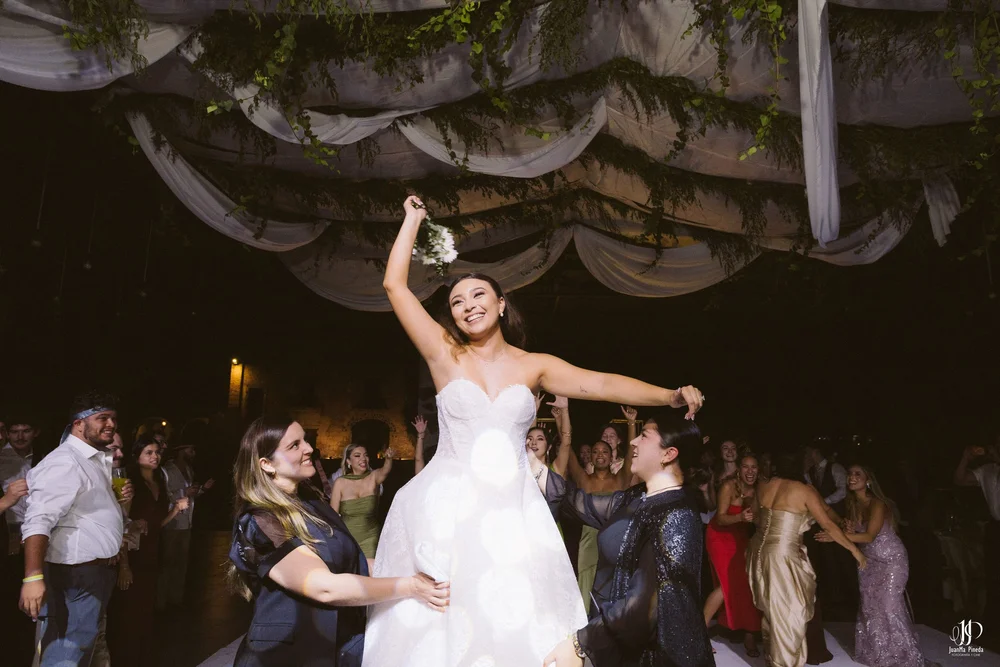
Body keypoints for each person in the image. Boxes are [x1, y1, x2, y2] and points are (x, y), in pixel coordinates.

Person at [363, 196, 705, 666]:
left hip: (515, 509)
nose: (467, 306)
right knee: (444, 623)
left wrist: (667, 395)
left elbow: (600, 383)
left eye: (478, 295)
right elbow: (393, 285)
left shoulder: (534, 366)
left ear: (501, 304)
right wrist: (411, 219)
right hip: (447, 506)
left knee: (515, 618)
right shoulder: (444, 355)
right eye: (457, 302)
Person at [228, 416, 448, 667]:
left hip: (338, 646)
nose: (309, 448)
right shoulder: (261, 520)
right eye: (294, 445)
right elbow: (325, 586)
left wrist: (422, 571)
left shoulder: (313, 503)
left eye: (305, 441)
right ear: (267, 465)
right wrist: (410, 586)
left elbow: (355, 564)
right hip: (287, 655)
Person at [534, 414, 714, 667]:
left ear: (668, 454)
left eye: (644, 436)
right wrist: (530, 462)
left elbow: (641, 610)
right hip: (622, 645)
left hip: (659, 657)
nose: (633, 443)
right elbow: (578, 503)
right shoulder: (637, 498)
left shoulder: (677, 514)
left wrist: (579, 644)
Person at [19, 392, 124, 667]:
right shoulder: (64, 462)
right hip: (74, 575)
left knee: (79, 651)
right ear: (78, 423)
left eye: (113, 418)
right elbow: (38, 519)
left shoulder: (92, 459)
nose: (111, 424)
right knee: (66, 654)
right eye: (102, 418)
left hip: (93, 574)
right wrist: (32, 577)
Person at [747, 452, 866, 667]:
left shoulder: (764, 485)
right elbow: (827, 524)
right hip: (782, 556)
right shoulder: (804, 491)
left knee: (773, 608)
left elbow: (755, 516)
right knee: (790, 612)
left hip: (759, 551)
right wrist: (854, 550)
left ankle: (773, 657)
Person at [816, 464, 927, 667]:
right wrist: (845, 529)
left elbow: (869, 536)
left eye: (857, 474)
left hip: (892, 560)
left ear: (868, 480)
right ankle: (880, 654)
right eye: (849, 474)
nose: (851, 477)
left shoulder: (877, 503)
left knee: (889, 606)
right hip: (868, 561)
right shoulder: (853, 506)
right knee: (870, 606)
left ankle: (905, 656)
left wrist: (836, 536)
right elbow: (857, 538)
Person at [108, 434, 190, 665]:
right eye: (149, 453)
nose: (155, 457)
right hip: (131, 553)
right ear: (137, 456)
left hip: (152, 551)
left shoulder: (159, 481)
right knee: (127, 613)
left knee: (145, 611)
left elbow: (155, 526)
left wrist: (174, 511)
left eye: (157, 452)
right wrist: (124, 566)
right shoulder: (129, 481)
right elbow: (121, 523)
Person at [703, 452, 761, 657]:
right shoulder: (728, 486)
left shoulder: (758, 490)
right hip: (720, 537)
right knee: (725, 586)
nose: (750, 471)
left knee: (747, 585)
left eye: (754, 467)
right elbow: (720, 518)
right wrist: (740, 517)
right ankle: (698, 635)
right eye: (746, 467)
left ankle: (750, 636)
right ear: (739, 469)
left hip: (741, 538)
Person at [158, 437, 213, 610]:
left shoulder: (188, 469)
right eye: (190, 450)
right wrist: (184, 491)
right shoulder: (167, 469)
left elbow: (189, 497)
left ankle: (176, 599)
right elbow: (164, 496)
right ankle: (161, 601)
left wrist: (202, 489)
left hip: (186, 523)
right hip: (171, 522)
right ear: (181, 450)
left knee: (181, 563)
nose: (193, 453)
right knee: (167, 563)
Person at [954, 435, 1000, 638]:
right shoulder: (988, 470)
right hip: (995, 526)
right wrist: (965, 458)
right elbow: (959, 480)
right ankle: (992, 623)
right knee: (992, 574)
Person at [330, 443, 395, 559]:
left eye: (365, 455)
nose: (363, 459)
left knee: (370, 571)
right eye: (357, 456)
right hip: (347, 538)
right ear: (348, 461)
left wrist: (389, 458)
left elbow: (385, 470)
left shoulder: (373, 477)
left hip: (370, 537)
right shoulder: (340, 483)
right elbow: (333, 516)